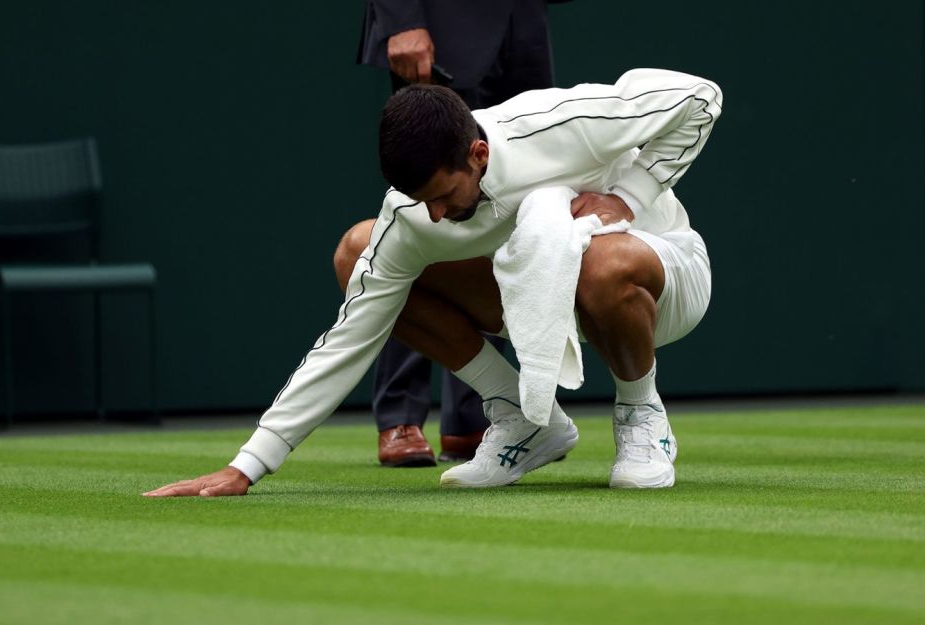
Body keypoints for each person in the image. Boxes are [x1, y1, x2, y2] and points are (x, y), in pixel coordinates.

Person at [143, 67, 722, 497]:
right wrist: (248, 465)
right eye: (424, 203)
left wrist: (630, 196)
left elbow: (700, 97)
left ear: (477, 153)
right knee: (357, 252)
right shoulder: (414, 215)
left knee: (600, 264)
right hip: (534, 298)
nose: (436, 216)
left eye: (444, 196)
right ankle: (518, 417)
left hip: (662, 280)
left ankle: (641, 412)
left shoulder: (558, 124)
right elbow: (350, 340)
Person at [357, 0, 562, 467]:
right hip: (440, 23)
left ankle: (473, 415)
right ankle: (400, 414)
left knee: (508, 203)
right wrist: (402, 19)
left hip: (522, 22)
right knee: (427, 209)